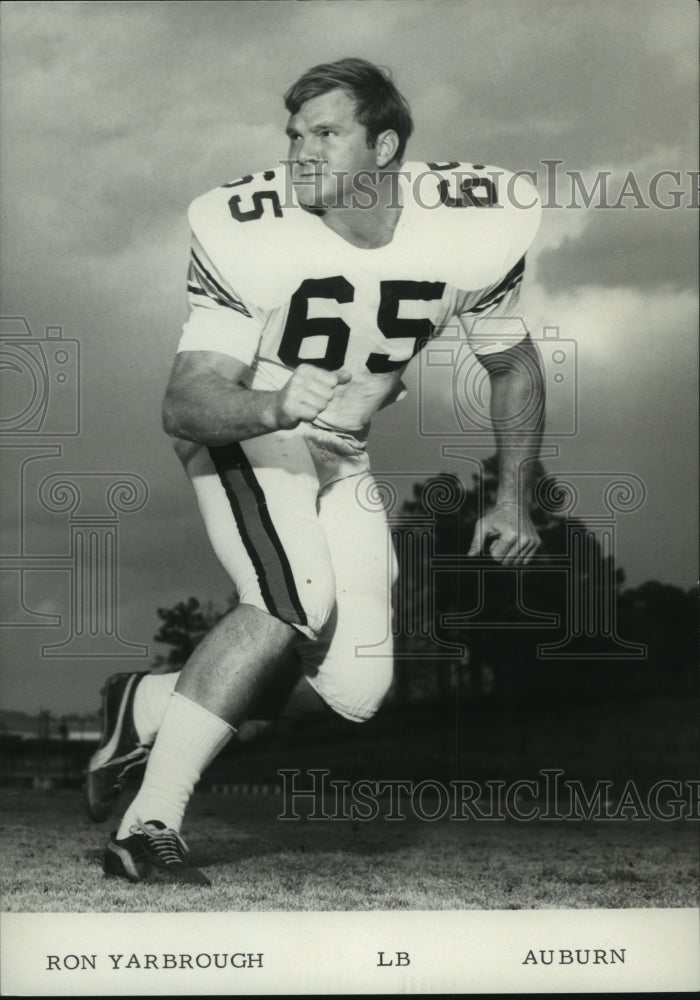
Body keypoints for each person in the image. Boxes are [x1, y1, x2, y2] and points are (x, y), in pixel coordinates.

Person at [87, 57, 545, 885]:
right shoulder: (247, 228)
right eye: (294, 134)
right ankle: (147, 823)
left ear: (385, 146)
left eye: (326, 133)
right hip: (248, 426)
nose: (301, 152)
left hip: (341, 449)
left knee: (360, 687)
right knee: (294, 597)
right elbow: (185, 404)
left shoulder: (472, 226)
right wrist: (272, 406)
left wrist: (512, 497)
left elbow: (513, 364)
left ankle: (152, 703)